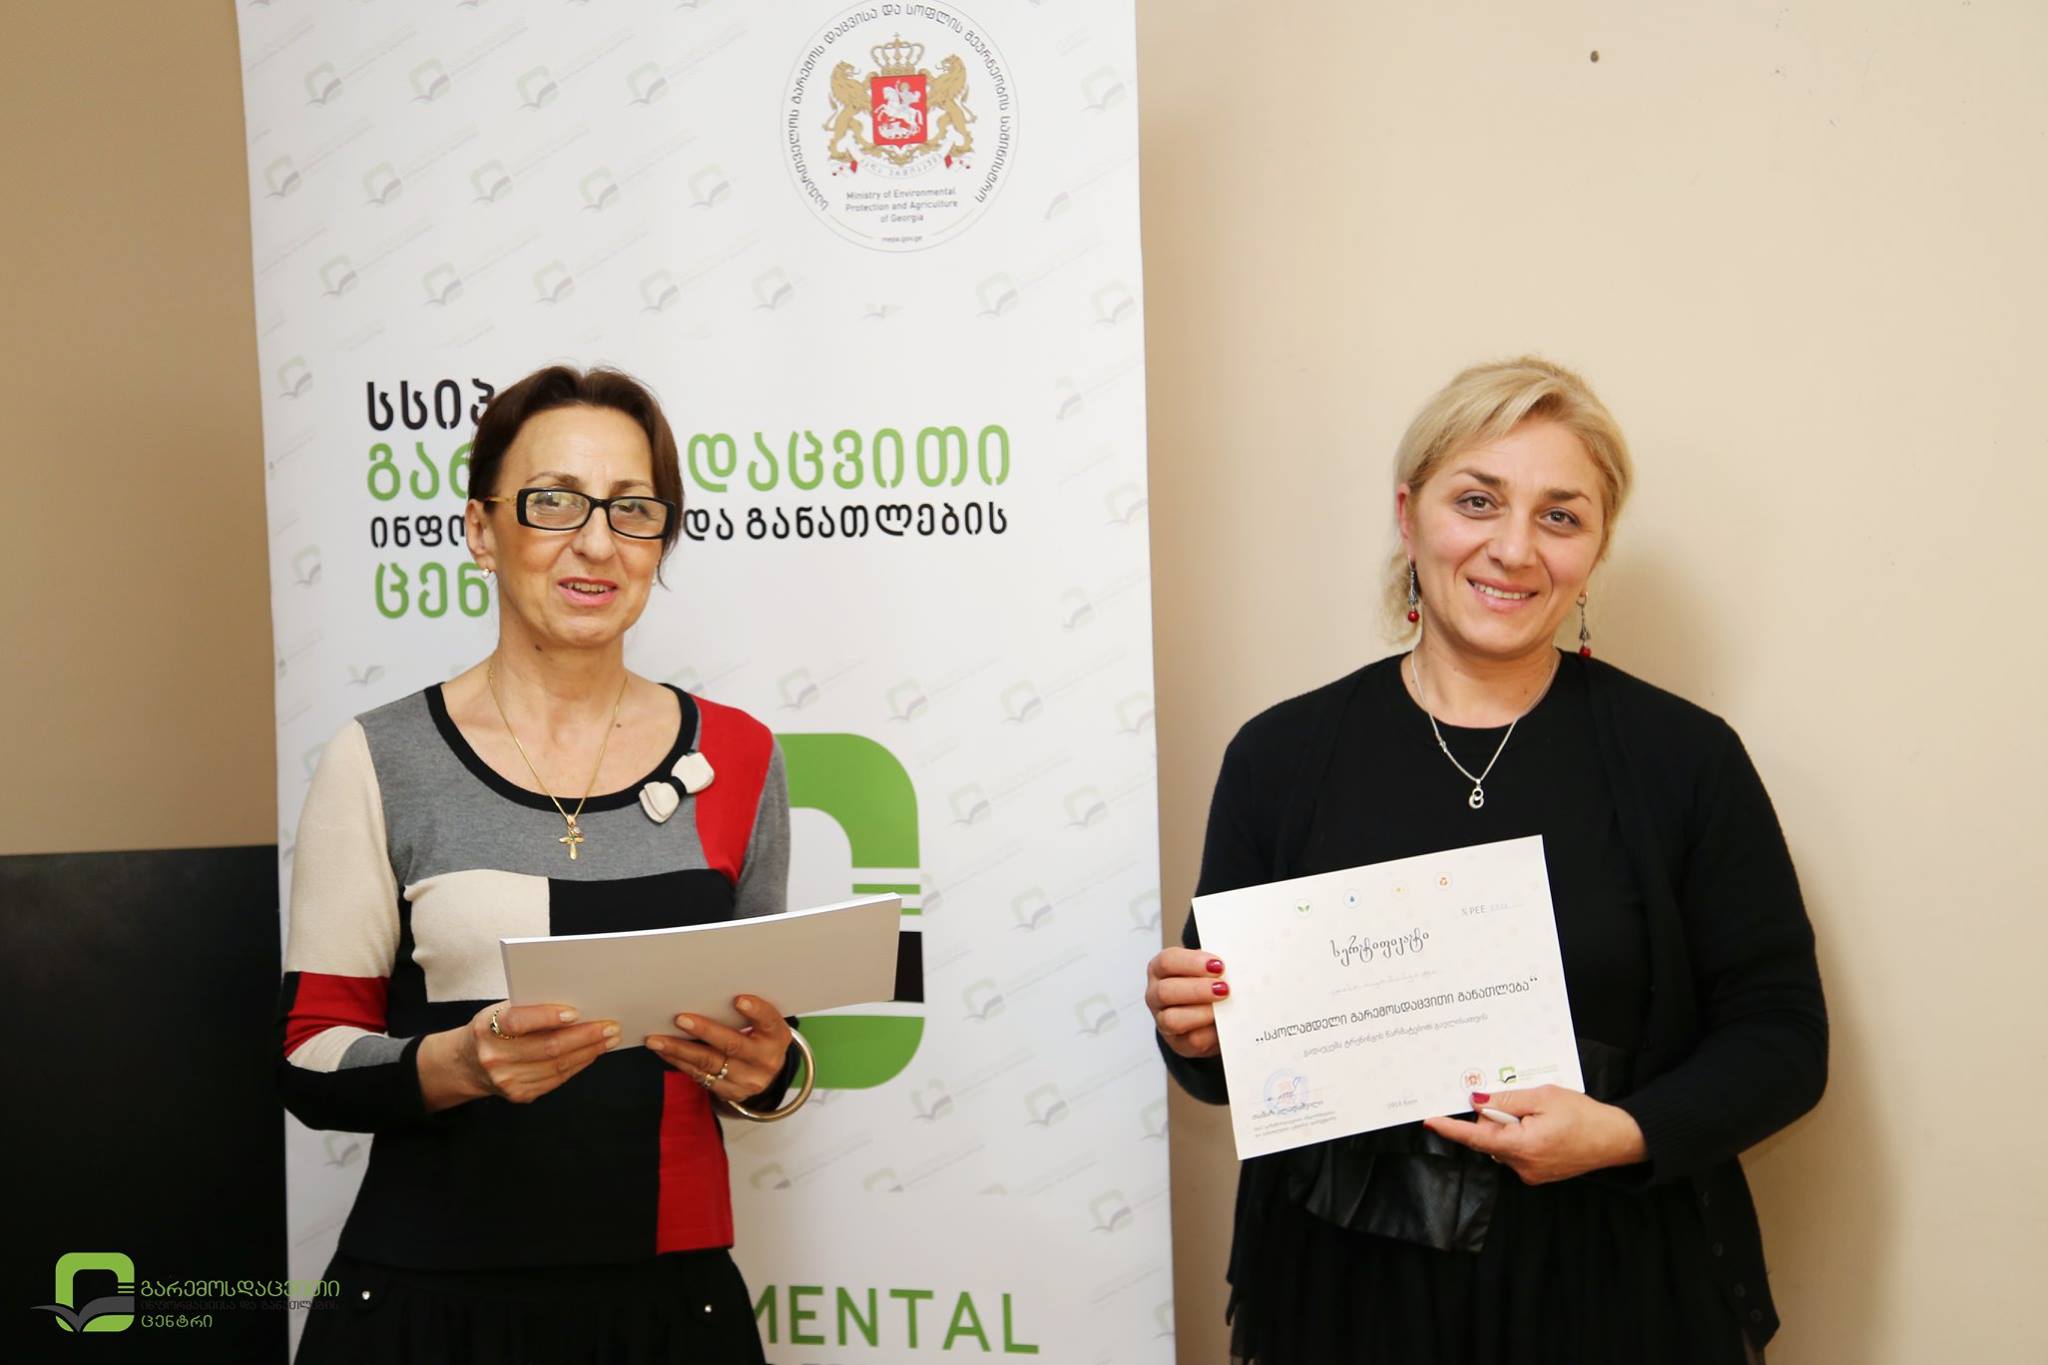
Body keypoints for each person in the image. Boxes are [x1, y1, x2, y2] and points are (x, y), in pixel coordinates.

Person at [1146, 357, 1826, 1365]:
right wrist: (1196, 1031)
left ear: (1595, 547)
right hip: (1346, 1290)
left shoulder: (1684, 760)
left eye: (1560, 516)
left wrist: (1620, 1133)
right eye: (1477, 501)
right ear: (1408, 514)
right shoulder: (1281, 756)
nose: (1513, 547)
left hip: (1611, 1280)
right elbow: (1224, 1063)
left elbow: (1782, 1040)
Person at [280, 365, 806, 1363]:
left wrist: (771, 1071)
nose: (597, 543)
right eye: (554, 501)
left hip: (670, 1306)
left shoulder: (740, 755)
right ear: (481, 530)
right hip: (429, 1304)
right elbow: (307, 1055)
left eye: (633, 508)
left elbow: (765, 1039)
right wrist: (456, 1064)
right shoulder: (380, 757)